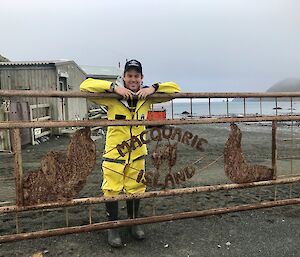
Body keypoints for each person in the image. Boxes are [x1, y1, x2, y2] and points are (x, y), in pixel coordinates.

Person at [80, 59, 180, 247]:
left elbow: (175, 89)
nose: (133, 79)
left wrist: (153, 88)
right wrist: (113, 88)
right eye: (129, 76)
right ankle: (113, 228)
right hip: (114, 155)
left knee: (136, 188)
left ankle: (133, 224)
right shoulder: (111, 97)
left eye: (136, 76)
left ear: (141, 78)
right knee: (112, 189)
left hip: (137, 154)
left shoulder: (146, 98)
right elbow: (85, 86)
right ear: (123, 77)